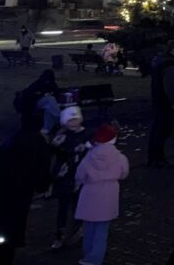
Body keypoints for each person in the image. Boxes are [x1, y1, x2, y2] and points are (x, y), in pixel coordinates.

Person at [0, 112, 52, 265]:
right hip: (19, 195)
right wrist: (43, 186)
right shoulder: (39, 144)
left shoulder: (11, 140)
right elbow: (42, 173)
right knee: (9, 233)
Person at [74, 123, 130, 265]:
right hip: (109, 195)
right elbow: (124, 174)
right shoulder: (120, 157)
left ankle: (87, 255)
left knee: (89, 228)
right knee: (102, 230)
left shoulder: (89, 157)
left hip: (90, 194)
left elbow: (80, 175)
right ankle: (95, 258)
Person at [48, 105, 92, 250]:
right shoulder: (61, 136)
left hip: (81, 176)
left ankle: (78, 230)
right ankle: (61, 234)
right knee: (63, 206)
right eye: (70, 120)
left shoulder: (86, 135)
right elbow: (55, 150)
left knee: (79, 205)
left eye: (76, 119)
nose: (73, 122)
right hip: (65, 177)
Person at [148, 40, 174, 167]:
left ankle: (154, 157)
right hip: (165, 103)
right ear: (173, 49)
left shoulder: (161, 62)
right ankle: (158, 159)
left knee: (157, 130)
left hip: (158, 101)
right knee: (161, 131)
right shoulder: (169, 66)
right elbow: (170, 87)